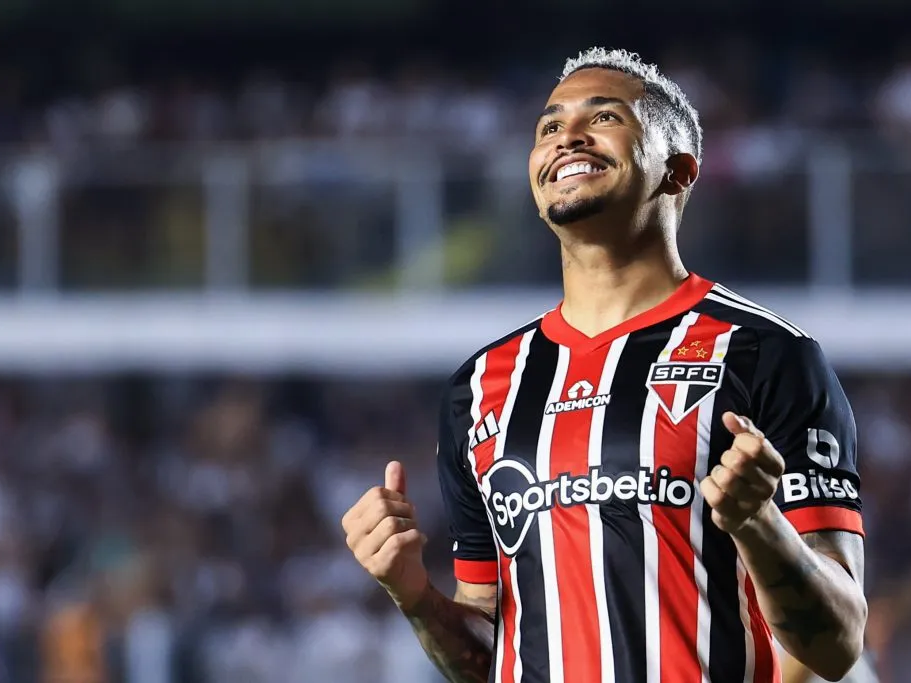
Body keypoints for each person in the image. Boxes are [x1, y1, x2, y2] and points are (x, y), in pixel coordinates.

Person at [342, 47, 868, 683]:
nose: (568, 137)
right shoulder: (479, 388)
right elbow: (489, 645)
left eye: (605, 116)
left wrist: (758, 526)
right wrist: (417, 598)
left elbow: (837, 644)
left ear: (678, 171)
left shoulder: (768, 354)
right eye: (549, 126)